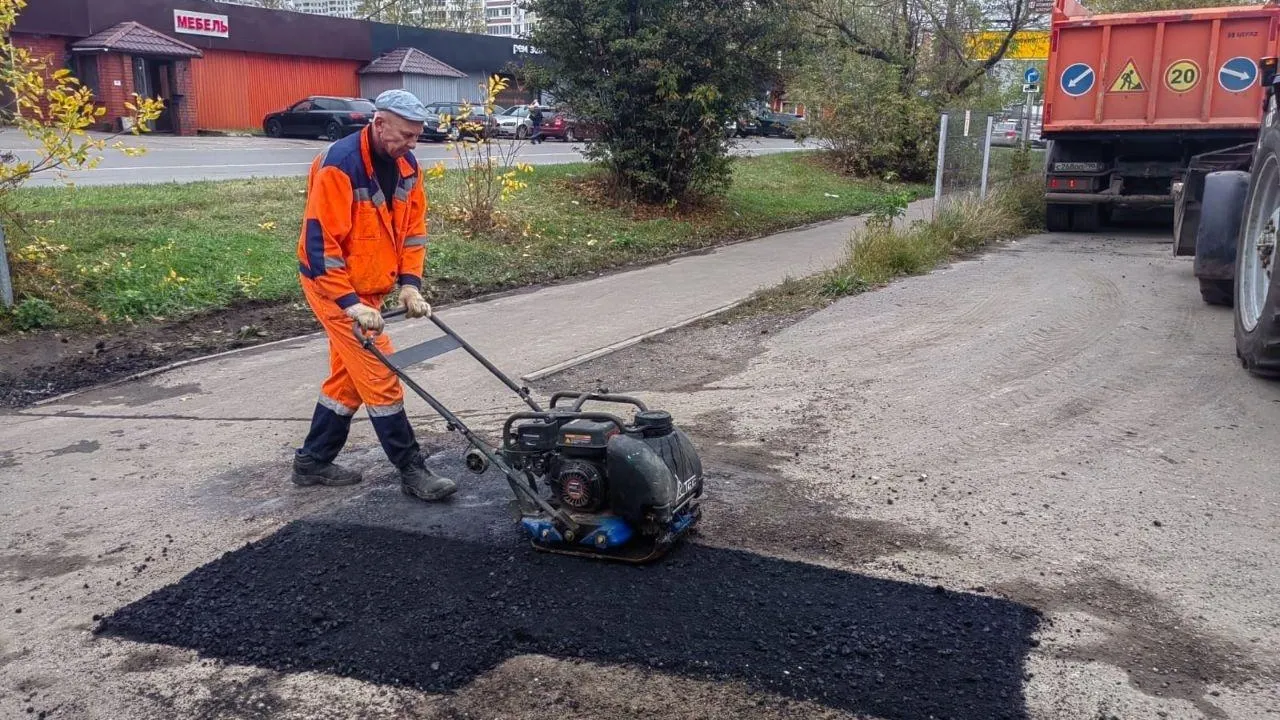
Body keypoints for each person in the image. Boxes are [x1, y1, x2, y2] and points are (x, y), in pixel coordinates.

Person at [291, 88, 457, 503]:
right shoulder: (340, 166)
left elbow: (412, 233)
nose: (411, 144)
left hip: (373, 287)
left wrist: (410, 285)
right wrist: (350, 304)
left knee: (348, 379)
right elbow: (319, 246)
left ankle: (312, 462)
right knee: (381, 374)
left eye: (416, 136)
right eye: (404, 135)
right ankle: (412, 469)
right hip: (333, 288)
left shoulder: (407, 167)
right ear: (378, 123)